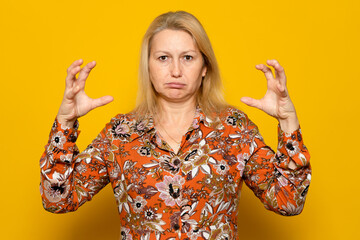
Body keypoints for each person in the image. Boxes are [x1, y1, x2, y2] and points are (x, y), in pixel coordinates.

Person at [40, 11, 311, 240]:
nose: (176, 71)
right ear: (148, 66)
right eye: (163, 58)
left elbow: (288, 201)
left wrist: (287, 121)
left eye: (188, 57)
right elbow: (58, 200)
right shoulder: (119, 134)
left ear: (205, 66)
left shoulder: (234, 128)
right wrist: (65, 122)